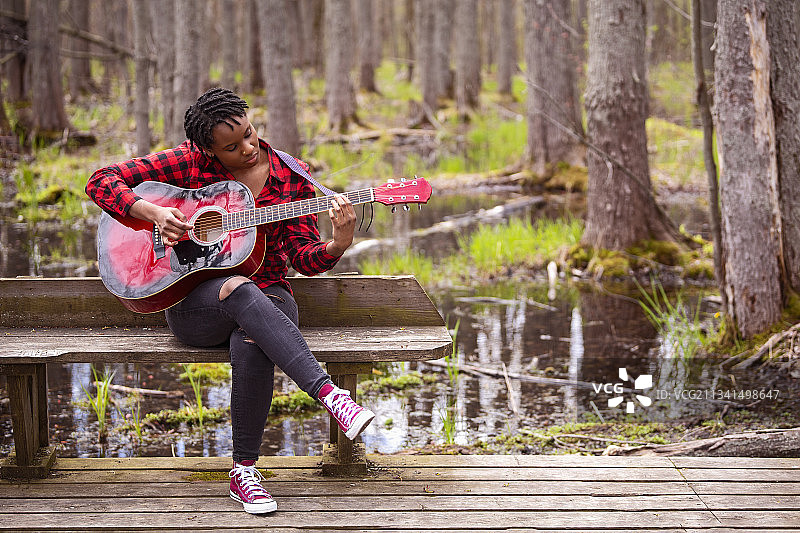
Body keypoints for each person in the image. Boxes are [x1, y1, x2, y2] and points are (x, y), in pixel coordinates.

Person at [86, 87, 375, 514]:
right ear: (208, 150)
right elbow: (99, 181)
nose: (248, 147)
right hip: (195, 306)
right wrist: (152, 212)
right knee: (236, 287)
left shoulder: (291, 175)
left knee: (253, 332)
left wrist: (337, 245)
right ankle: (329, 394)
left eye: (249, 133)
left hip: (270, 297)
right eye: (232, 146)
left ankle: (244, 473)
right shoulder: (187, 161)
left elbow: (301, 257)